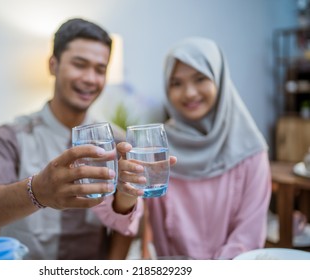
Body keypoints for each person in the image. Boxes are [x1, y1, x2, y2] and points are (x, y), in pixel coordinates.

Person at [0, 18, 142, 260]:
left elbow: (126, 221)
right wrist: (38, 192)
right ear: (53, 65)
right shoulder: (11, 136)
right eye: (79, 64)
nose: (90, 78)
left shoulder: (118, 140)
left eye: (100, 69)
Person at [103, 37, 272, 260]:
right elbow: (132, 222)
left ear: (219, 81)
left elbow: (248, 236)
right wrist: (125, 193)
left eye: (200, 78)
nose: (190, 93)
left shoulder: (250, 149)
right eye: (176, 83)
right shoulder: (156, 148)